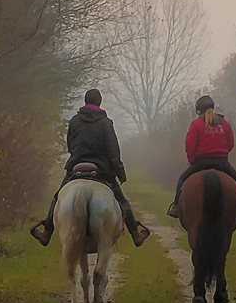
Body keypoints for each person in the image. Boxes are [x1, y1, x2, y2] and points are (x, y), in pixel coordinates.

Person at [30, 89, 152, 248]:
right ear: (99, 102)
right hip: (101, 169)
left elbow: (70, 146)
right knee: (123, 202)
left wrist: (78, 156)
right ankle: (135, 234)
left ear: (85, 102)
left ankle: (46, 232)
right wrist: (120, 173)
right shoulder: (106, 123)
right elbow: (113, 151)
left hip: (77, 167)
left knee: (57, 198)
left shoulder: (74, 121)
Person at [167, 94, 236, 221]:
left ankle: (176, 207)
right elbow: (231, 144)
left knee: (182, 179)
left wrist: (192, 161)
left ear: (199, 110)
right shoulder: (225, 124)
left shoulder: (196, 124)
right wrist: (221, 154)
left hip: (201, 162)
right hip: (222, 162)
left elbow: (190, 146)